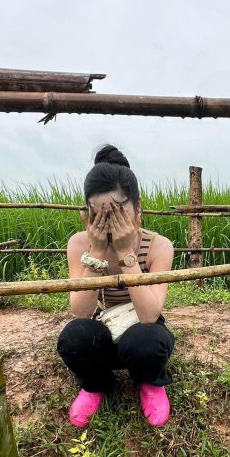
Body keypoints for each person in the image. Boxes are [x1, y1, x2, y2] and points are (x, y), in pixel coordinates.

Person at [57, 144, 176, 428]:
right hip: (104, 328)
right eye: (101, 215)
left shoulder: (159, 246)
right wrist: (96, 254)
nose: (111, 225)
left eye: (119, 214)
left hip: (142, 331)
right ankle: (96, 384)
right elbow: (81, 311)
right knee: (74, 337)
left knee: (146, 341)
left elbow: (149, 315)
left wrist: (126, 255)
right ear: (87, 215)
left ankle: (150, 382)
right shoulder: (78, 244)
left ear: (138, 210)